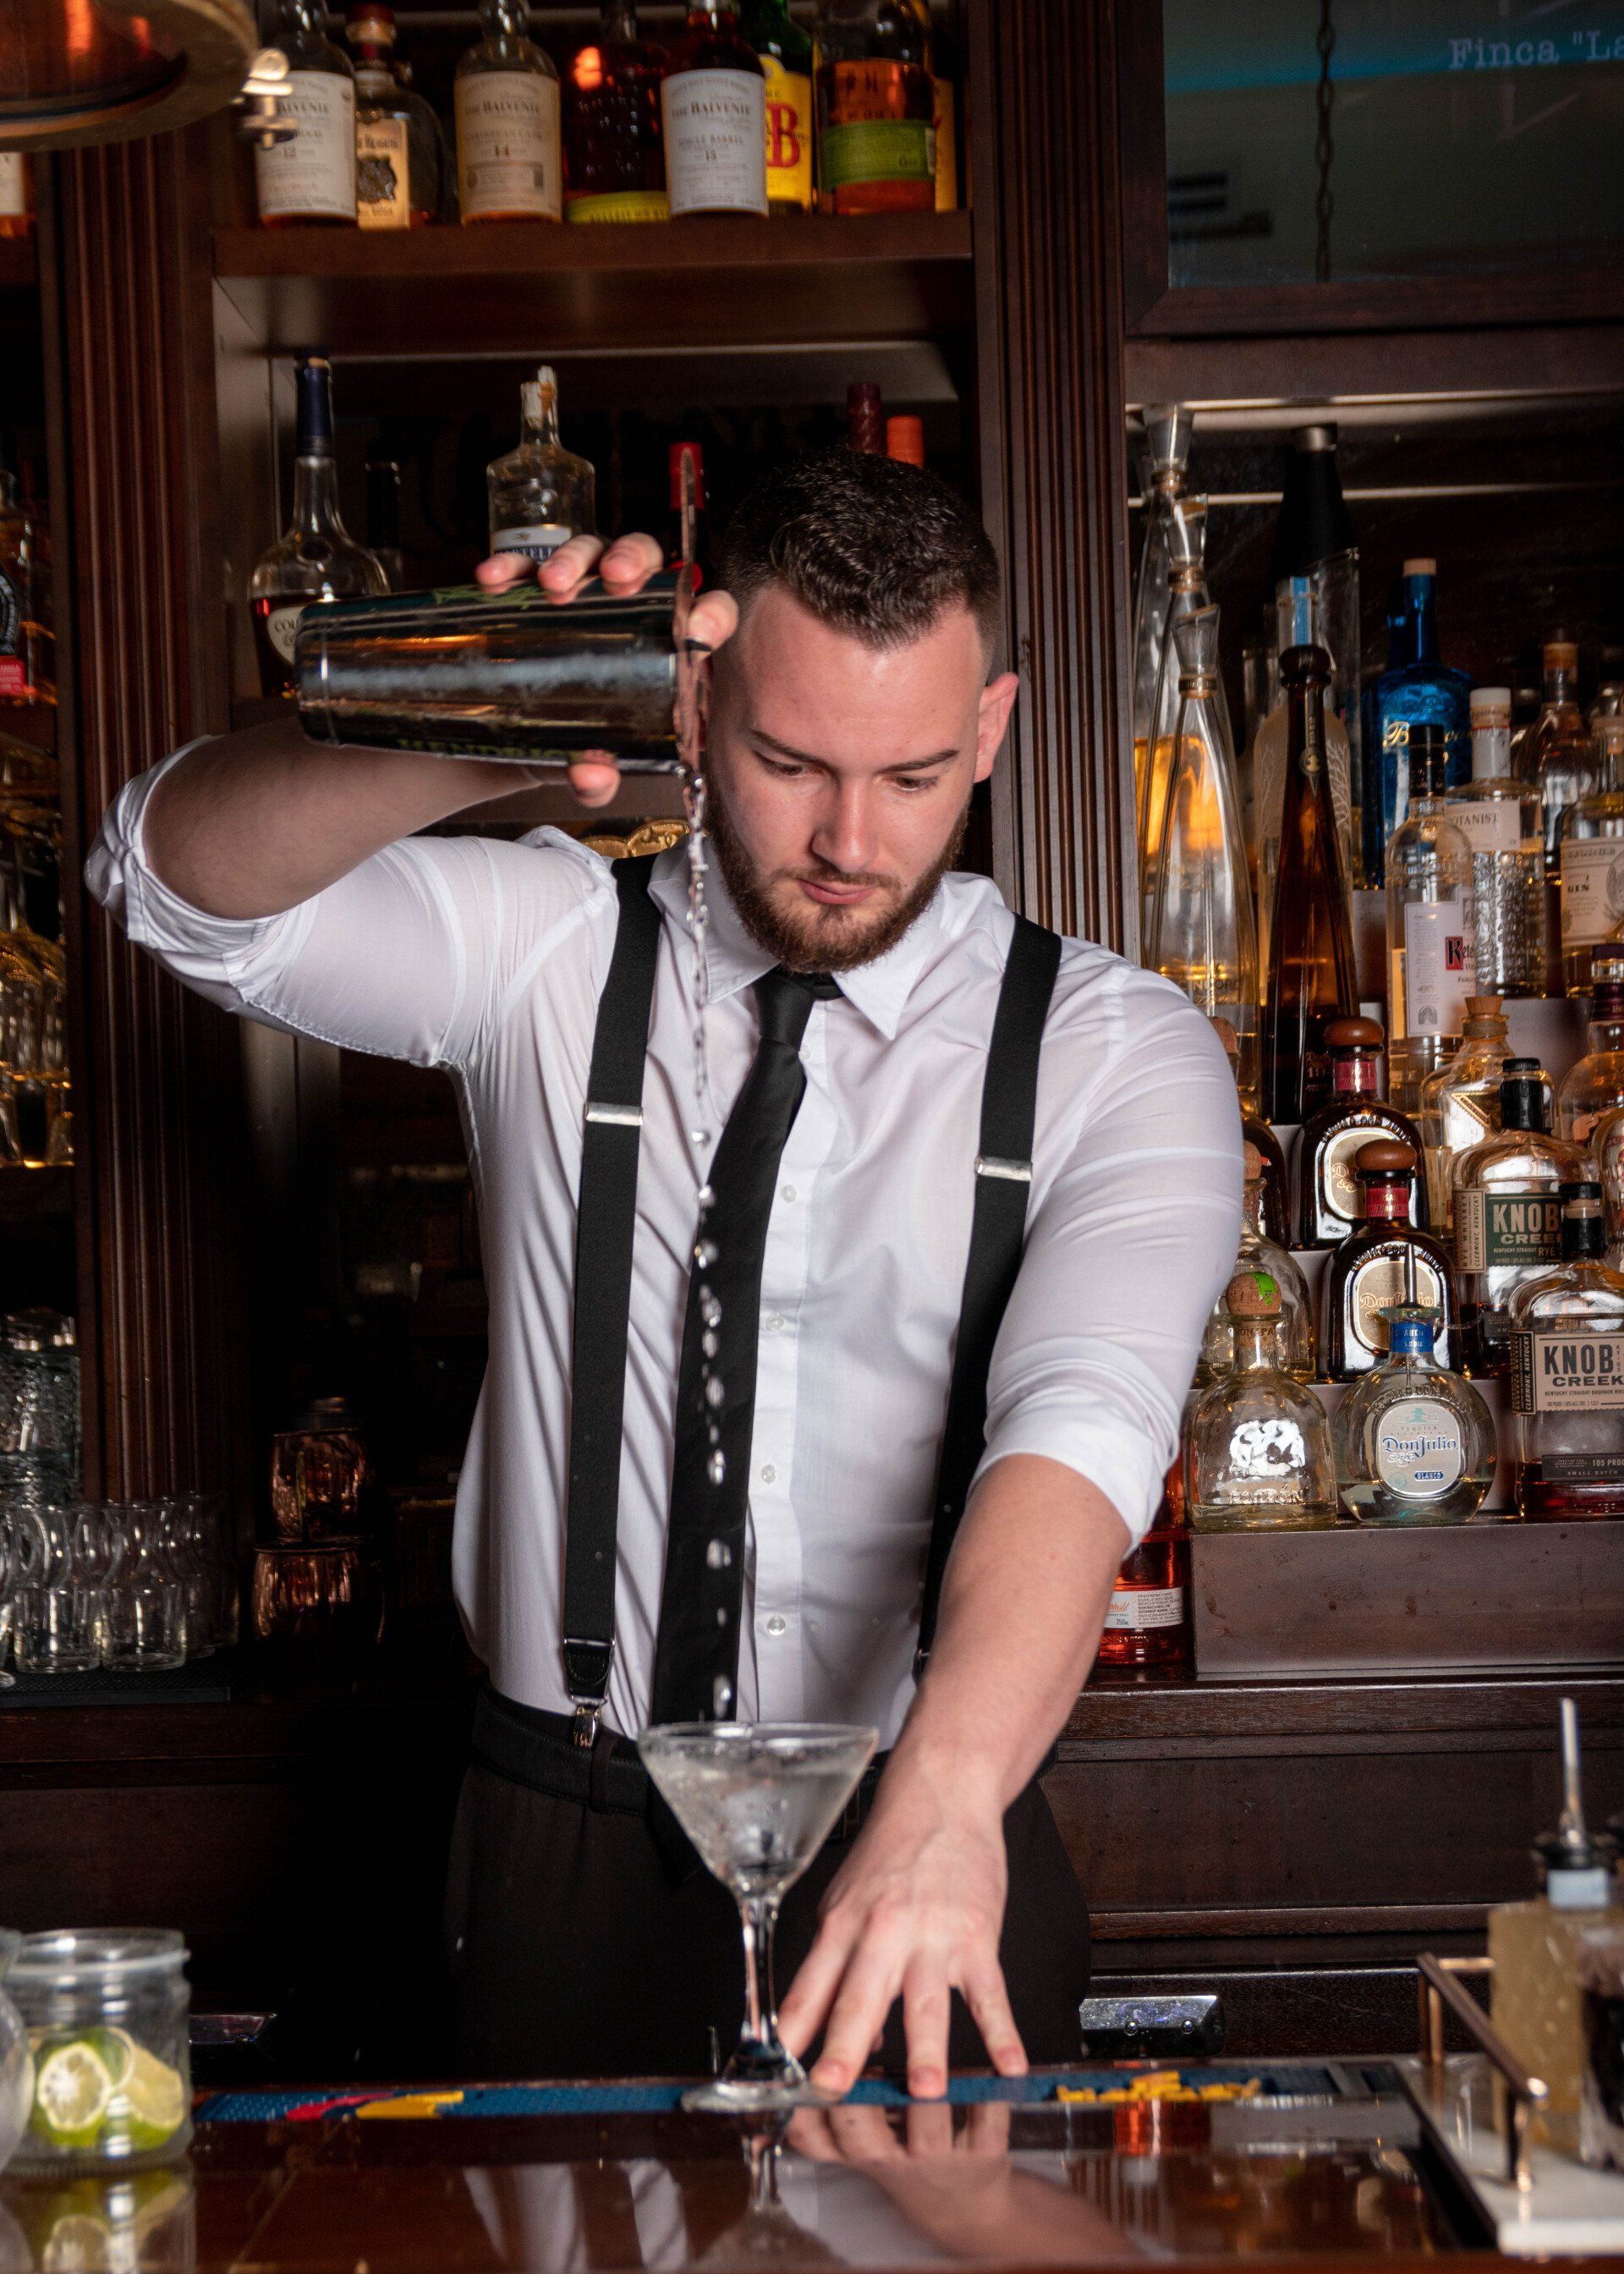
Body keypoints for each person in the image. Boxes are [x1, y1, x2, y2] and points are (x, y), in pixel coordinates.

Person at [88, 451, 1239, 2099]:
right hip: (561, 1842)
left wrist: (946, 1799)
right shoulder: (552, 950)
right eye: (790, 761)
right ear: (693, 708)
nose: (851, 842)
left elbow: (1088, 1427)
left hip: (929, 1824)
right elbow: (170, 883)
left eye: (917, 775)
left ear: (989, 732)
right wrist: (467, 704)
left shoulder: (1117, 1054)